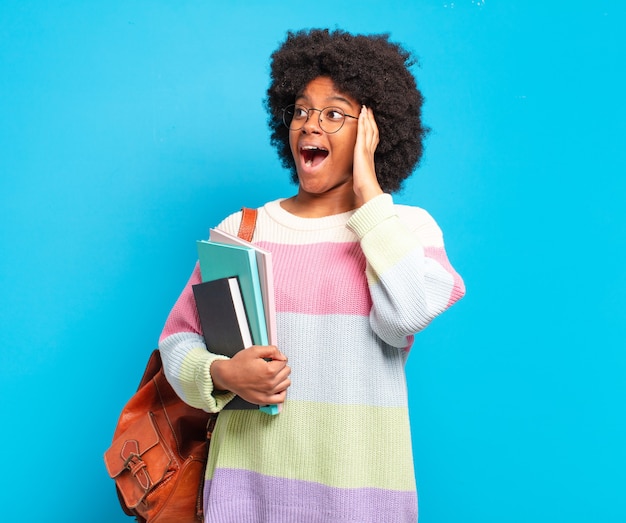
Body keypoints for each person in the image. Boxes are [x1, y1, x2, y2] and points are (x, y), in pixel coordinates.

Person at [158, 28, 465, 523]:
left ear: (373, 129)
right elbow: (178, 343)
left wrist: (369, 195)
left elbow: (403, 316)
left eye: (334, 114)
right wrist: (222, 374)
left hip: (360, 501)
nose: (309, 126)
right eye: (300, 111)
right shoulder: (241, 229)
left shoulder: (403, 228)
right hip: (244, 496)